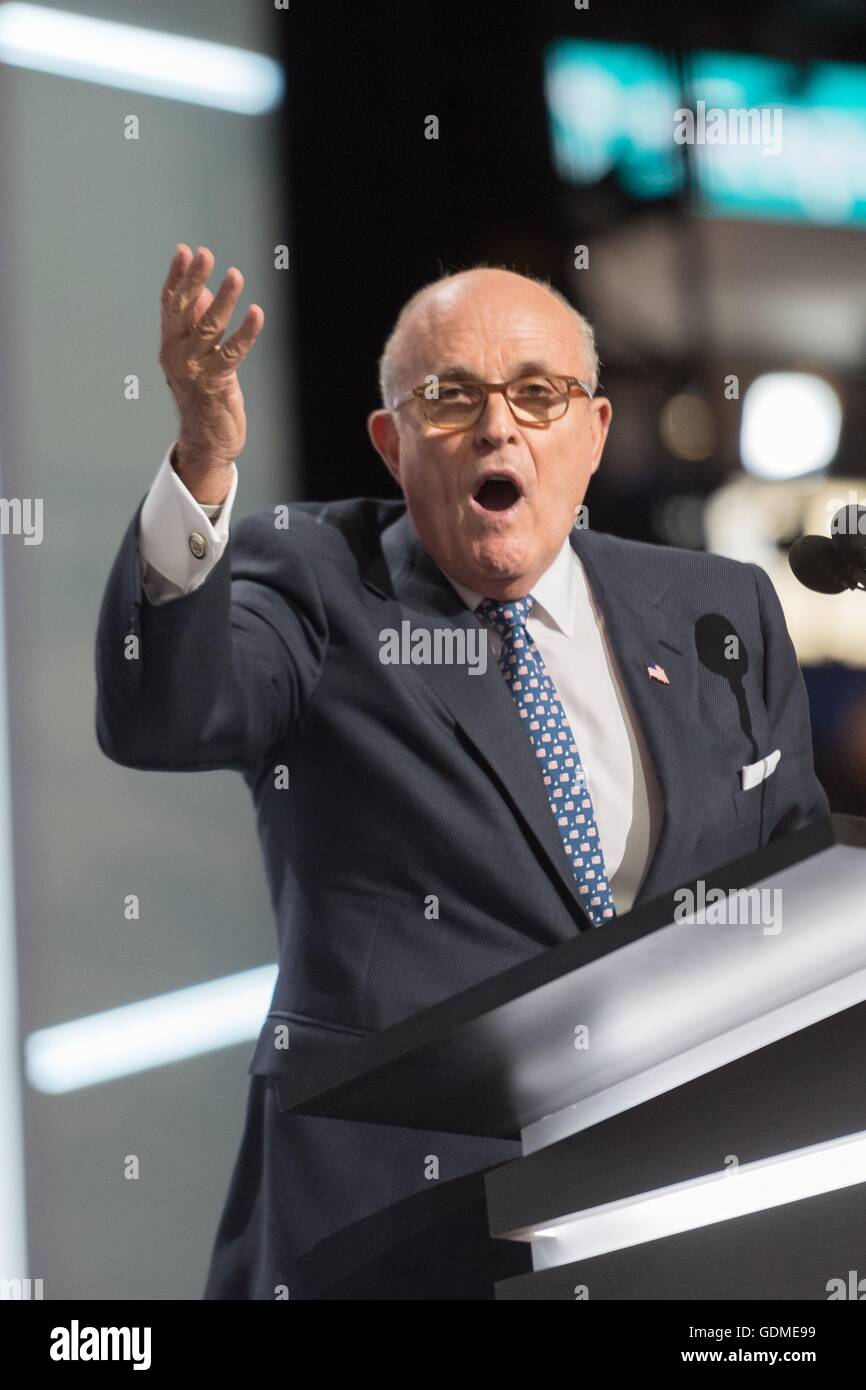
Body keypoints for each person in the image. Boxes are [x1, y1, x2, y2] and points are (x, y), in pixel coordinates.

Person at [95, 248, 829, 1298]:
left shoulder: (719, 607)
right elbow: (162, 712)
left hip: (672, 1218)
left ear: (592, 433)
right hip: (390, 1232)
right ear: (392, 445)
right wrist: (204, 460)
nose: (498, 426)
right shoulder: (313, 581)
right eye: (451, 397)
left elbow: (793, 906)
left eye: (537, 394)